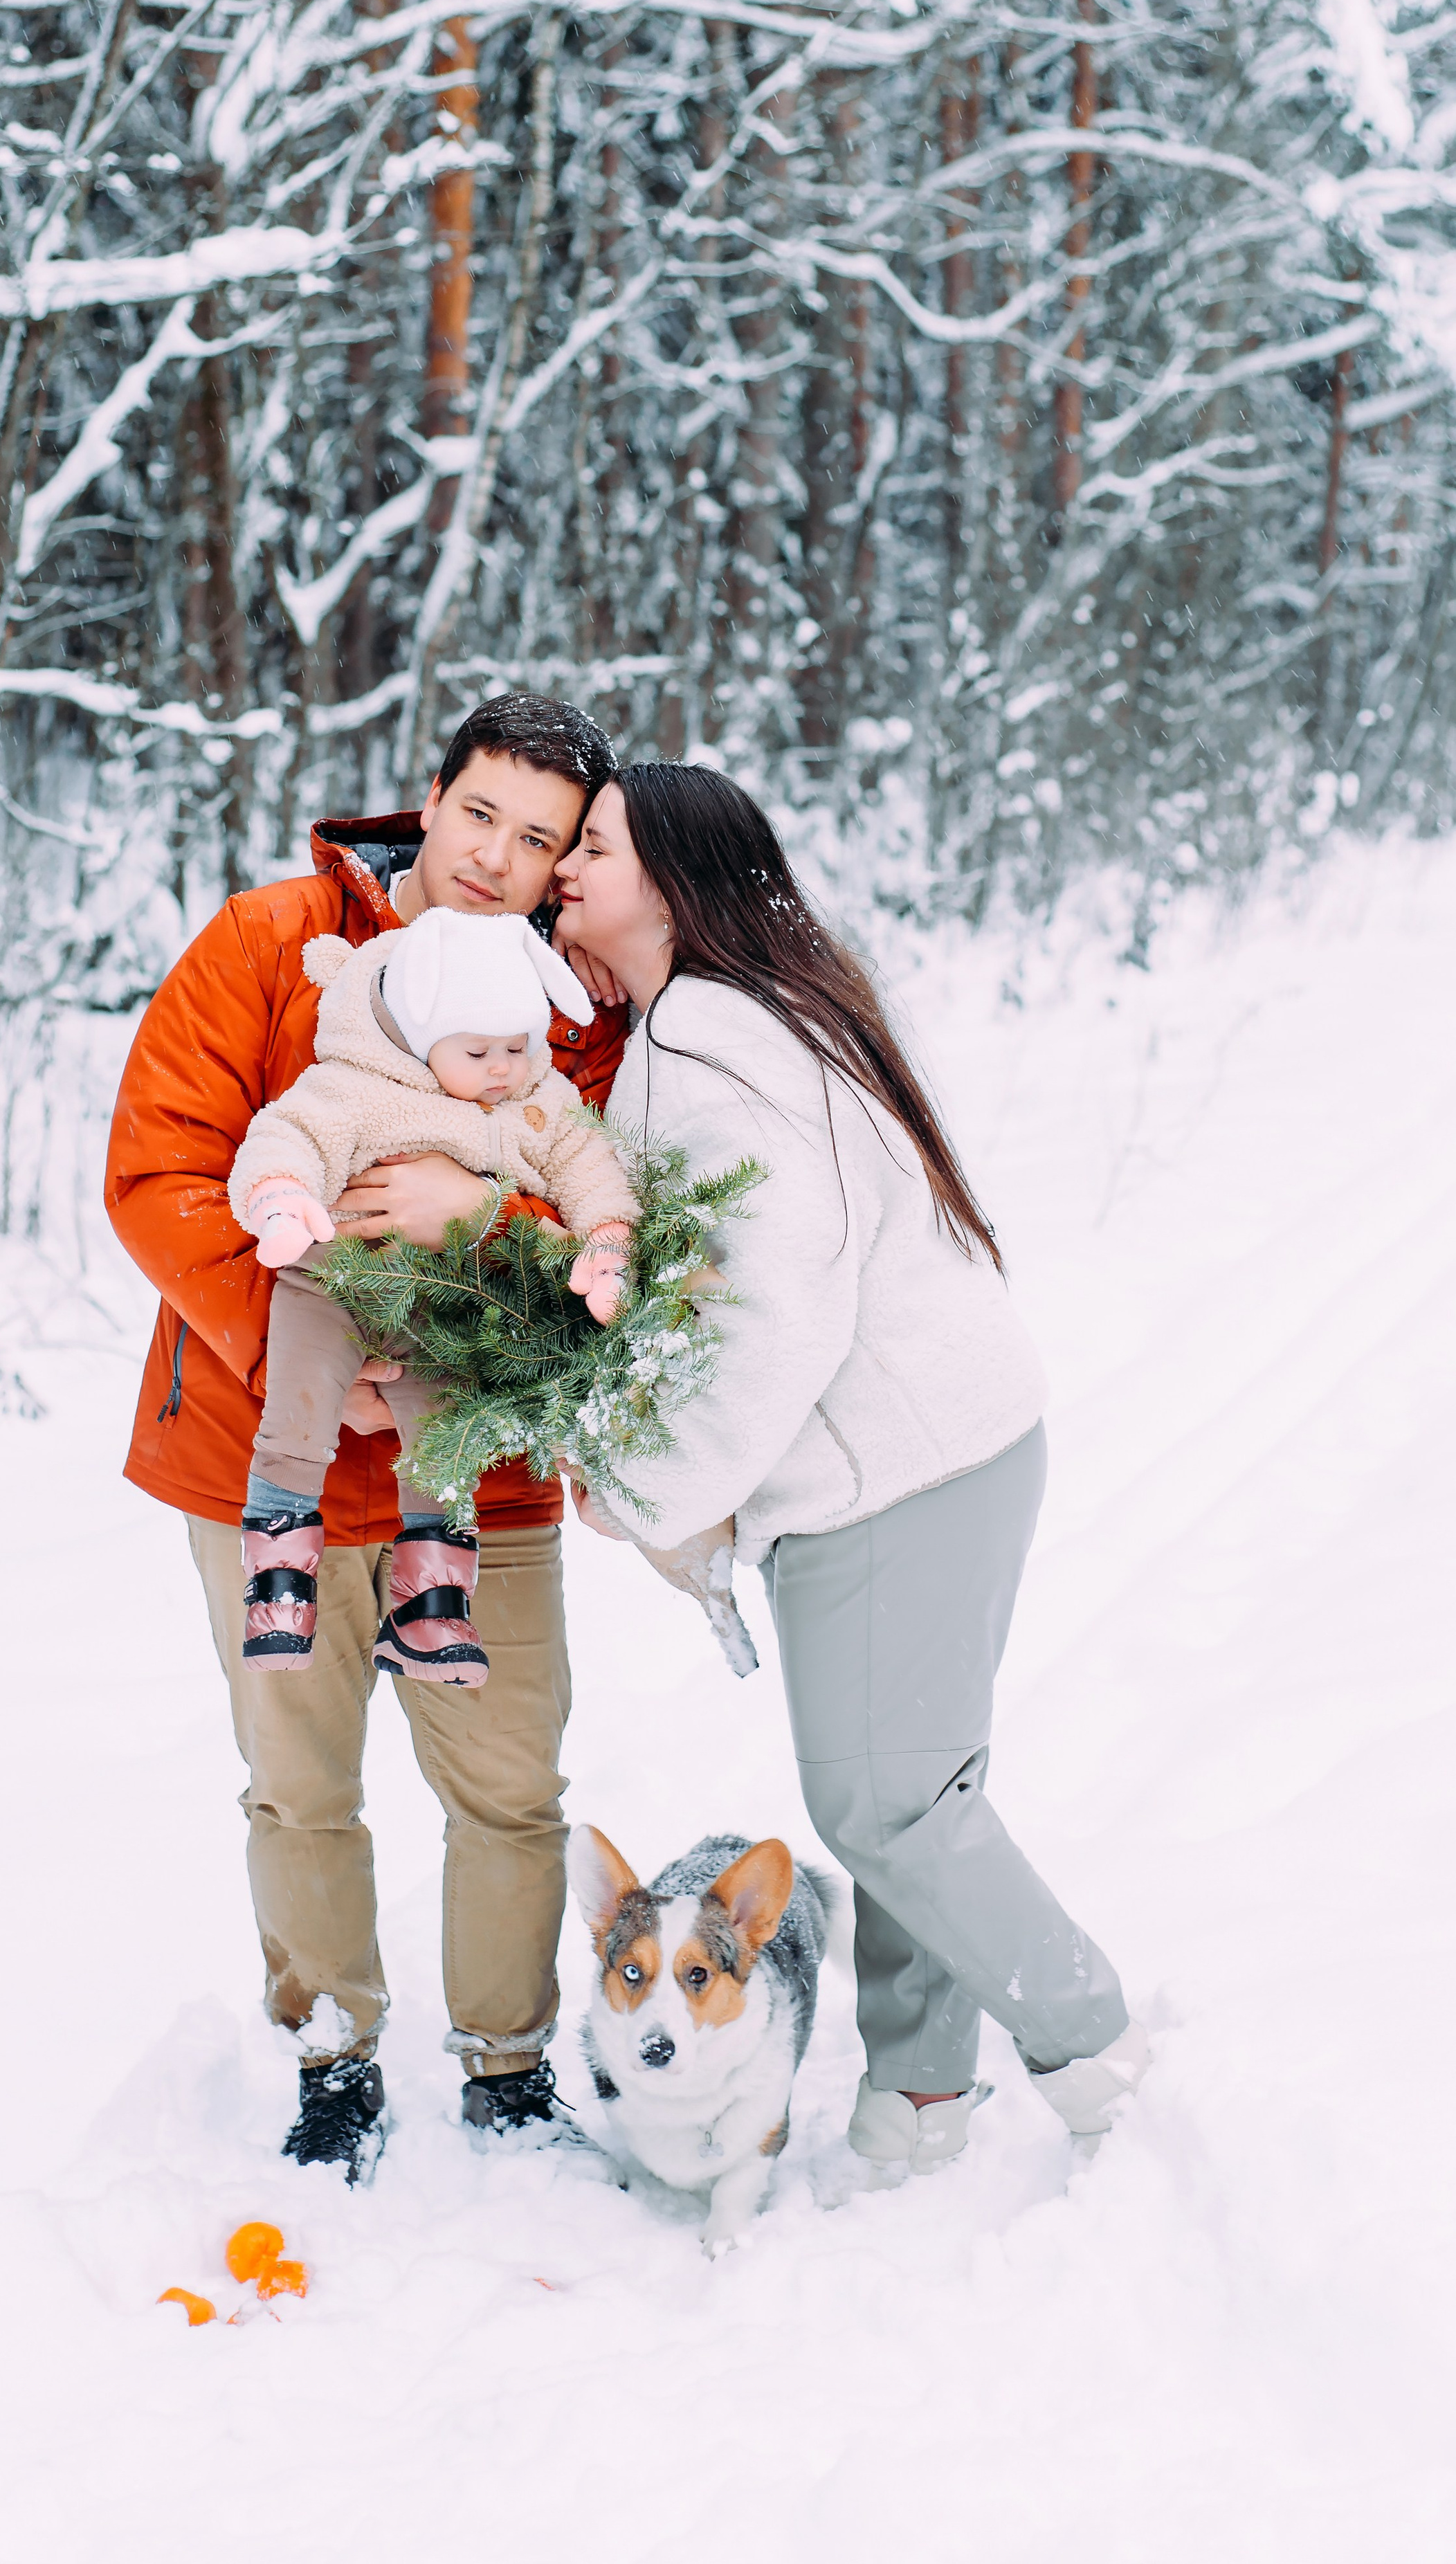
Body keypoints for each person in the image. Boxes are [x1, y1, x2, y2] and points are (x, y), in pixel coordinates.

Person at [554, 761, 1149, 2179]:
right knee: (913, 1791)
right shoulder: (711, 1027)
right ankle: (922, 2091)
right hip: (943, 1452)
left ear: (680, 877)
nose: (564, 865)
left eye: (593, 843)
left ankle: (1095, 2051)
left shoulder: (711, 1049)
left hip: (898, 1475)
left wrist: (648, 1489)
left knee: (883, 1803)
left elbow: (777, 1314)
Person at [104, 696, 629, 2183]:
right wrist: (291, 1354)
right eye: (480, 814)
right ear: (431, 799)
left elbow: (603, 1225)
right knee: (299, 1783)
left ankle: (507, 2065)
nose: (494, 856)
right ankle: (331, 2051)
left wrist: (495, 1230)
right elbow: (161, 1169)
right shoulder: (274, 944)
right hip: (257, 1450)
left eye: (537, 839)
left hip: (479, 1468)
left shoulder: (559, 1008)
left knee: (509, 1783)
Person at [226, 907, 637, 1683]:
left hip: (443, 1300)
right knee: (299, 1413)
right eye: (476, 1051)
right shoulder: (358, 1086)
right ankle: (278, 1583)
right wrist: (280, 1196)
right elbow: (288, 1135)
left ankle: (430, 1606)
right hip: (329, 1279)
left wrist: (606, 1235)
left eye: (518, 1045)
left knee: (443, 1444)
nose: (502, 1068)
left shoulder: (536, 1103)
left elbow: (588, 1164)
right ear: (419, 1035)